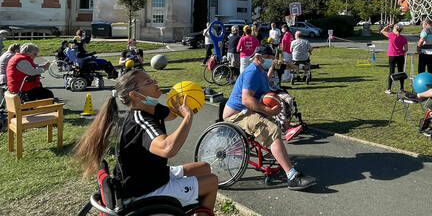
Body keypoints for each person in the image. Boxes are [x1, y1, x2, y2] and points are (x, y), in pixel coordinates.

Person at [74, 70, 219, 215]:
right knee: (211, 181)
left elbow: (170, 114)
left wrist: (183, 103)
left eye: (153, 79)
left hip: (152, 176)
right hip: (143, 192)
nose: (155, 82)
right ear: (135, 95)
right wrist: (188, 117)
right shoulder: (140, 121)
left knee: (204, 167)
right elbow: (168, 148)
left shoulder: (150, 106)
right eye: (149, 82)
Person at [222, 45, 317, 190]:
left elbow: (262, 95)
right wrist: (268, 110)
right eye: (269, 59)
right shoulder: (252, 72)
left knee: (274, 125)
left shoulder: (261, 71)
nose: (272, 61)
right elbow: (246, 100)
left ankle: (279, 155)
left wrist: (273, 107)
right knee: (272, 131)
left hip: (245, 111)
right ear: (259, 58)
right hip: (236, 114)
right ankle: (291, 176)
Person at [381, 23, 408, 94]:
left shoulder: (391, 35)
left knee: (391, 71)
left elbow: (382, 31)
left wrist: (387, 26)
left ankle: (389, 89)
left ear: (396, 29)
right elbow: (406, 49)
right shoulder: (403, 38)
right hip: (400, 56)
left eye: (393, 28)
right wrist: (402, 51)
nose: (392, 29)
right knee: (401, 72)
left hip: (392, 55)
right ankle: (402, 88)